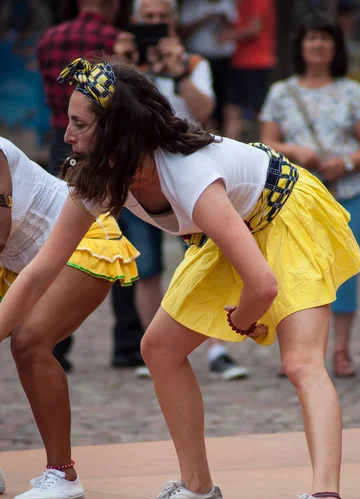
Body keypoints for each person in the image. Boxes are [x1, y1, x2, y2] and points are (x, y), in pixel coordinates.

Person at [0, 57, 360, 499]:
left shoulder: (187, 174)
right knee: (160, 348)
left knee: (301, 362)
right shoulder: (99, 179)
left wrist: (244, 318)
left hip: (286, 216)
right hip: (231, 229)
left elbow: (263, 285)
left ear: (117, 131)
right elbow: (42, 269)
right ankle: (197, 491)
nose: (67, 135)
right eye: (69, 121)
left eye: (80, 124)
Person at [112, 0, 249, 380]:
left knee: (207, 261)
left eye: (162, 18)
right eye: (148, 19)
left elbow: (204, 110)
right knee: (147, 267)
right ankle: (152, 346)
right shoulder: (120, 67)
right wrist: (124, 64)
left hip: (191, 178)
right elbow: (104, 112)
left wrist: (176, 71)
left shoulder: (191, 63)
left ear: (174, 22)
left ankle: (216, 348)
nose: (156, 25)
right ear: (136, 22)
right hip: (140, 179)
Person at [0, 136, 139, 499]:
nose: (68, 135)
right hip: (19, 260)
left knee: (28, 342)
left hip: (80, 241)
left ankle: (63, 474)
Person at [259, 12, 360, 378]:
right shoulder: (281, 92)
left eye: (325, 38)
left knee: (343, 273)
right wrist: (297, 152)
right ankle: (298, 354)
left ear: (336, 46)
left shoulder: (352, 91)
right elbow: (266, 141)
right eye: (311, 38)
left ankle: (341, 352)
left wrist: (344, 164)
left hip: (347, 194)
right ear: (300, 46)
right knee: (293, 273)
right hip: (295, 198)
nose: (318, 45)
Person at [37, 0, 135, 372]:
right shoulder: (114, 40)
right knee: (118, 243)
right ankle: (126, 343)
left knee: (59, 239)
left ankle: (56, 343)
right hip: (103, 144)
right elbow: (129, 101)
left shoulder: (49, 39)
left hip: (61, 140)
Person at [220, 0, 276, 141]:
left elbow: (254, 29)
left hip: (257, 63)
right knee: (231, 112)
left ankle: (264, 153)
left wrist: (229, 35)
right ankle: (229, 156)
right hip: (237, 62)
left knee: (261, 114)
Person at [179, 0, 238, 133]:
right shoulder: (193, 4)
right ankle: (209, 136)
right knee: (208, 112)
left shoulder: (228, 3)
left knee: (227, 105)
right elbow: (182, 29)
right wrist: (205, 18)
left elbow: (235, 26)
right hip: (199, 56)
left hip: (225, 59)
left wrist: (222, 19)